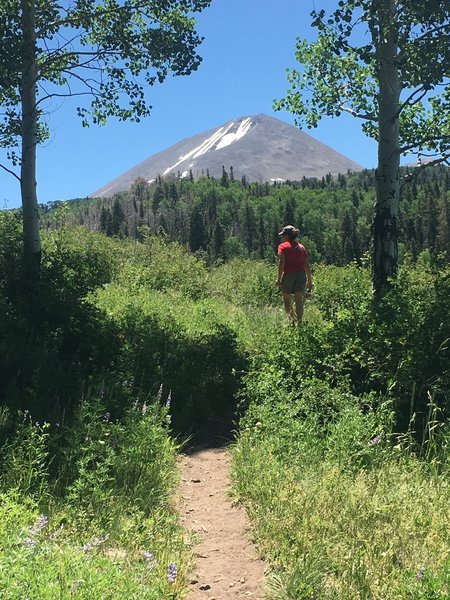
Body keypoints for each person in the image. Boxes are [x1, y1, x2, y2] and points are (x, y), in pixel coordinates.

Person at [276, 225, 312, 324]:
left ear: (287, 236)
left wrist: (279, 279)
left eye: (283, 235)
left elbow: (281, 262)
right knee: (299, 300)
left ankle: (292, 322)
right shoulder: (301, 247)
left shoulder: (282, 246)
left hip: (288, 275)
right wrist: (310, 282)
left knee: (287, 300)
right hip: (301, 275)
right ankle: (299, 323)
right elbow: (307, 266)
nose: (282, 237)